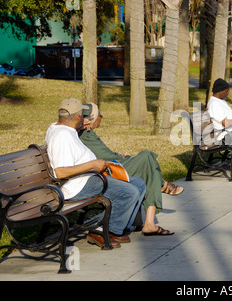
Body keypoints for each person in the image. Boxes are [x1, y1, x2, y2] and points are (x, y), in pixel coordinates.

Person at [45, 98, 146, 248]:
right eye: (83, 117)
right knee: (129, 192)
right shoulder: (62, 136)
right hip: (76, 186)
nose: (86, 120)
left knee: (138, 184)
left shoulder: (63, 128)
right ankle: (101, 230)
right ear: (77, 117)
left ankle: (115, 227)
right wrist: (93, 164)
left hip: (87, 178)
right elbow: (60, 172)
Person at [79, 102, 180, 236]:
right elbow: (106, 158)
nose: (101, 119)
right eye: (100, 116)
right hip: (111, 171)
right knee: (147, 157)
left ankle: (151, 221)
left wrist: (124, 157)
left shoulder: (87, 133)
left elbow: (106, 154)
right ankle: (160, 193)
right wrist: (125, 159)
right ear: (91, 118)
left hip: (112, 166)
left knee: (149, 165)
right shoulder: (85, 135)